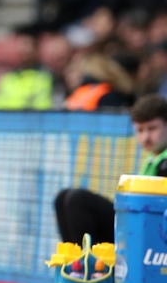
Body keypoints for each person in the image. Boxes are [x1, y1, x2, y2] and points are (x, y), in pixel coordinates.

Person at [54, 93, 167, 245]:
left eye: (152, 129)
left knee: (77, 200)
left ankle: (88, 261)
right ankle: (77, 260)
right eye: (140, 130)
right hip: (138, 223)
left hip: (149, 231)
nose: (146, 137)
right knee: (63, 197)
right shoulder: (154, 158)